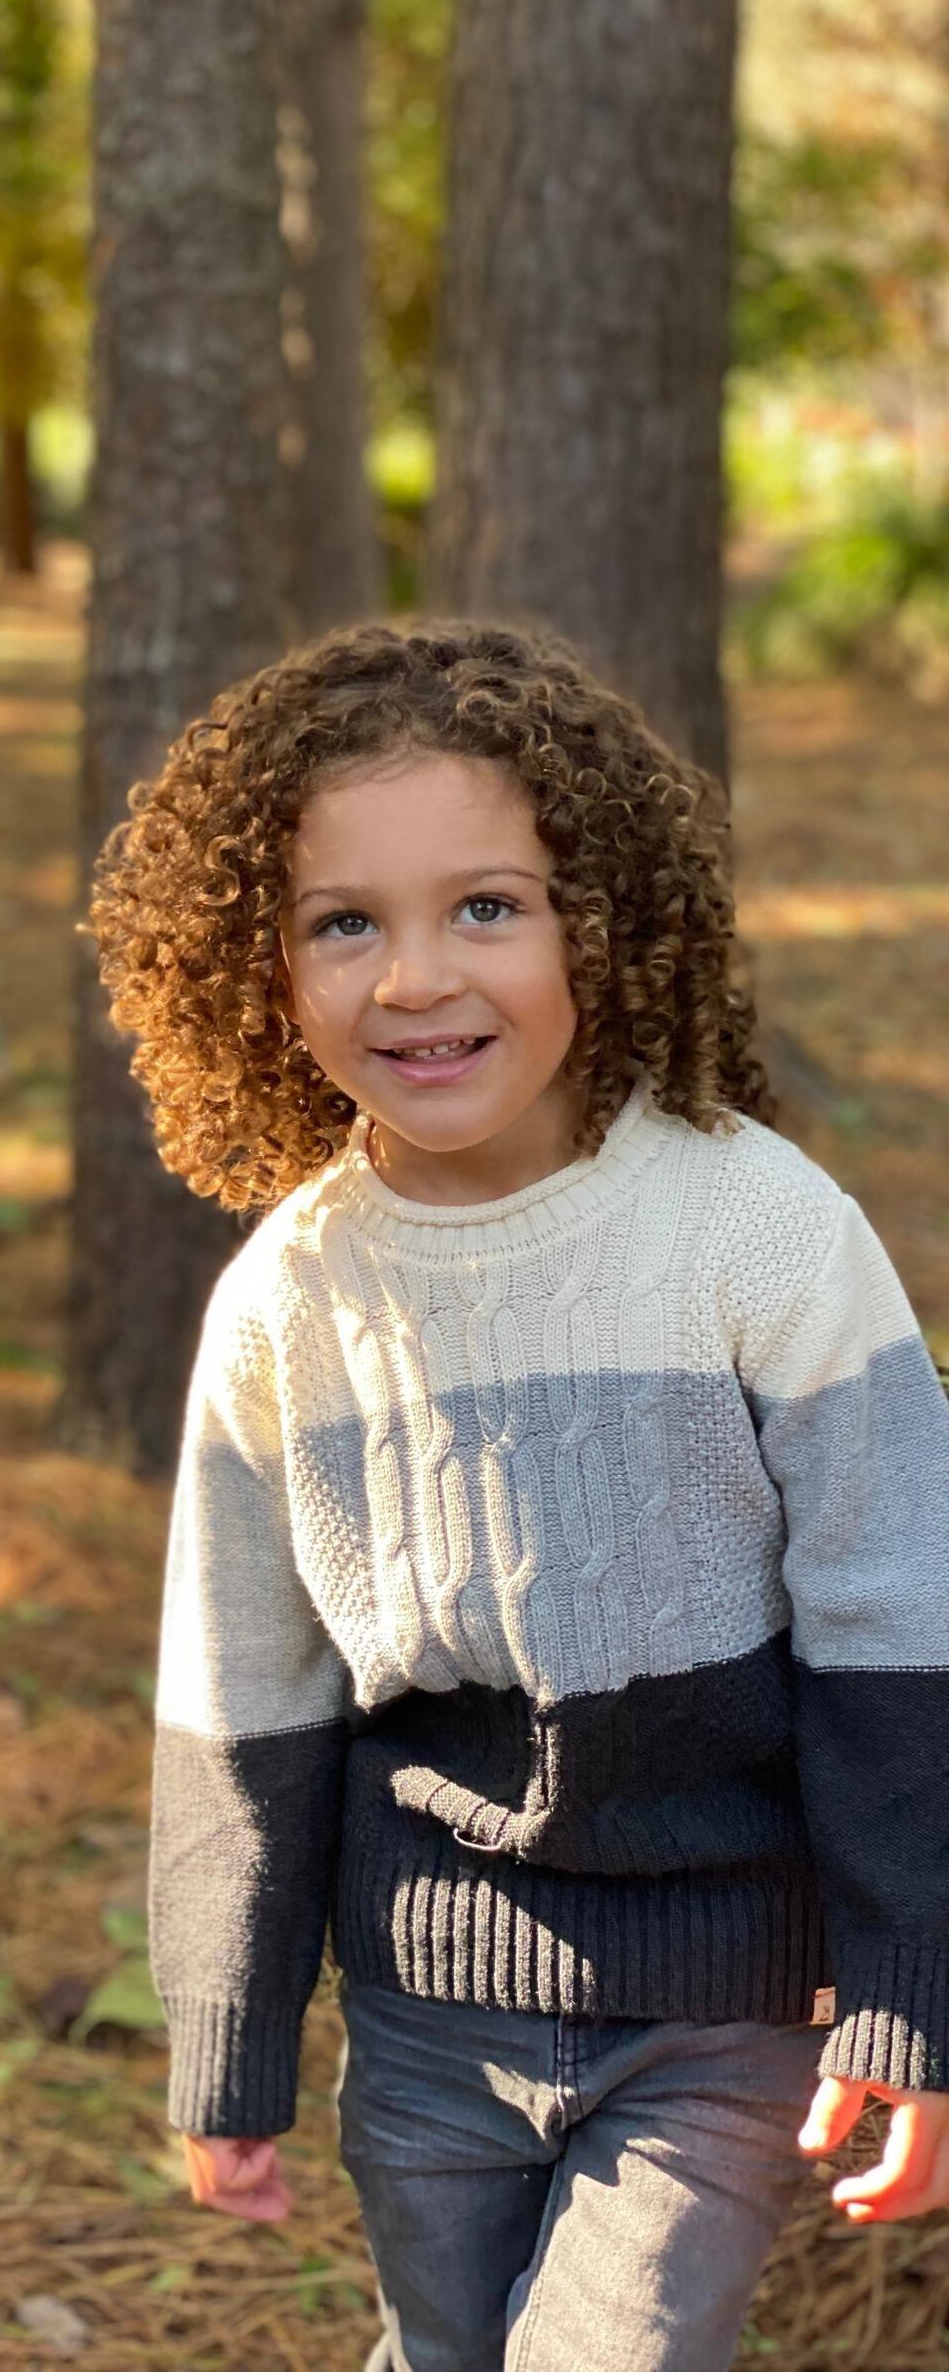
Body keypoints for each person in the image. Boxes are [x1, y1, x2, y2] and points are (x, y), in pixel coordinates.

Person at [84, 619, 949, 2372]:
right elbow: (241, 1700)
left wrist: (910, 1993)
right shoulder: (288, 1303)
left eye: (488, 906)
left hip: (720, 2008)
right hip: (425, 2017)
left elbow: (902, 1626)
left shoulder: (761, 1233)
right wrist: (230, 2038)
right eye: (345, 923)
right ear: (255, 973)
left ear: (601, 923)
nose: (417, 978)